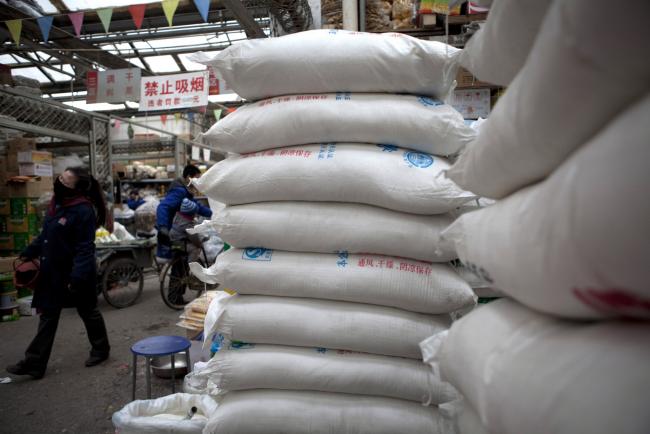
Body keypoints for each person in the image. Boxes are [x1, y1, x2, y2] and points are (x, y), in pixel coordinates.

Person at [6, 167, 111, 379]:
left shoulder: (83, 210)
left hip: (76, 273)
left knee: (88, 311)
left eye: (64, 180)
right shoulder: (58, 203)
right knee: (48, 316)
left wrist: (77, 277)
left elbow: (85, 248)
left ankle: (101, 350)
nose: (59, 181)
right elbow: (47, 235)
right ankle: (35, 363)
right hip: (53, 271)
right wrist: (28, 252)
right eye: (60, 177)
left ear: (76, 188)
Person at [156, 164, 211, 260]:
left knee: (179, 263)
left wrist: (214, 214)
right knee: (192, 250)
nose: (198, 182)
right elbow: (163, 206)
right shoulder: (180, 191)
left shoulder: (185, 191)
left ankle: (182, 272)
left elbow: (197, 206)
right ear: (189, 177)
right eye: (197, 179)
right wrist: (163, 226)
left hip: (175, 232)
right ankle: (191, 271)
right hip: (171, 232)